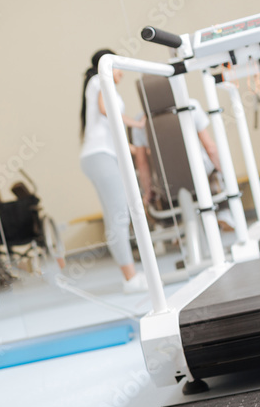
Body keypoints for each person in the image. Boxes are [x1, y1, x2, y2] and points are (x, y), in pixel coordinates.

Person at [79, 49, 148, 293]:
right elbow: (105, 110)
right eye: (118, 67)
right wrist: (136, 123)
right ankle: (130, 279)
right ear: (107, 64)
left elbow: (110, 130)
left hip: (101, 155)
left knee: (116, 217)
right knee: (120, 217)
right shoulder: (99, 79)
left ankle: (130, 276)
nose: (122, 73)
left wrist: (136, 149)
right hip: (100, 156)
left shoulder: (99, 84)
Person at [131, 99, 236, 230]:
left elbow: (142, 163)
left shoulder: (140, 121)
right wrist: (226, 174)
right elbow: (211, 149)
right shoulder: (190, 106)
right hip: (200, 175)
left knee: (162, 187)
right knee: (212, 172)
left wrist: (148, 192)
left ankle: (177, 225)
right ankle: (223, 211)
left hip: (167, 183)